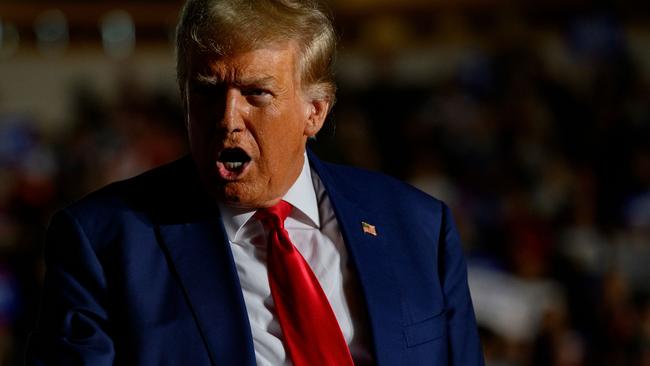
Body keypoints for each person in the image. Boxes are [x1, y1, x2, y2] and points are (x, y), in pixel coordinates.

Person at [26, 0, 484, 365]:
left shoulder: (418, 227)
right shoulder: (103, 241)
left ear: (315, 111)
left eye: (256, 93)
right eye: (206, 90)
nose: (228, 119)